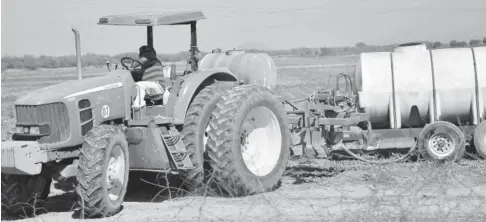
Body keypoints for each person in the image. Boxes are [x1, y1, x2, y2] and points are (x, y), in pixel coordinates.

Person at [130, 45, 166, 109]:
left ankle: (138, 107)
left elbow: (135, 64)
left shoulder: (152, 61)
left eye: (141, 54)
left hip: (159, 87)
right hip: (152, 87)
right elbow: (134, 66)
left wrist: (131, 68)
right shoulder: (149, 62)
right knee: (133, 87)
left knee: (138, 85)